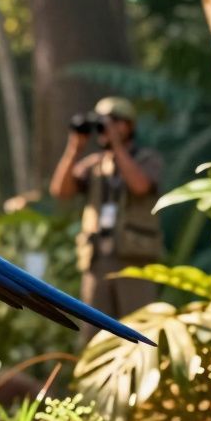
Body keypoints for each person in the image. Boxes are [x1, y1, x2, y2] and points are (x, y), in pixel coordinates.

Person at [49, 96, 163, 321]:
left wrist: (117, 146)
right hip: (97, 260)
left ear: (129, 126)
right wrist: (74, 148)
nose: (105, 128)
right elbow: (60, 191)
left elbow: (140, 186)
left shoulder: (147, 159)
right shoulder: (94, 164)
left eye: (113, 122)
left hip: (134, 260)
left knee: (138, 327)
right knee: (93, 329)